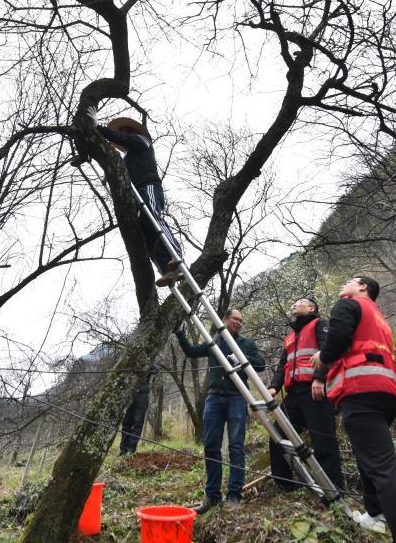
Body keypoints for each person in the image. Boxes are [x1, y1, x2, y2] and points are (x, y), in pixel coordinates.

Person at [311, 276, 396, 543]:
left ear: (363, 287)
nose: (343, 285)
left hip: (361, 391)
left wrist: (321, 359)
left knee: (383, 468)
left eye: (349, 281)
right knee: (370, 461)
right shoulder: (378, 318)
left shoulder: (349, 304)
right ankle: (375, 514)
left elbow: (336, 340)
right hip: (384, 392)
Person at [176, 308, 265, 513]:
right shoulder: (213, 342)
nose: (238, 322)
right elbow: (191, 351)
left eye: (241, 320)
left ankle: (234, 495)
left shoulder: (246, 344)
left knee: (236, 447)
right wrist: (180, 334)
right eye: (235, 318)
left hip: (236, 397)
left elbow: (260, 364)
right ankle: (212, 497)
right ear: (224, 319)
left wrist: (242, 360)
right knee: (211, 446)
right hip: (214, 397)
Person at [88, 108, 181, 287]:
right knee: (147, 233)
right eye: (120, 132)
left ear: (133, 133)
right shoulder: (127, 158)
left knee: (153, 217)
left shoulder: (142, 141)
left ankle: (175, 255)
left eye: (125, 132)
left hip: (149, 187)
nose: (122, 135)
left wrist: (97, 127)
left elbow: (125, 140)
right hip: (136, 196)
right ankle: (167, 270)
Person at [266, 297, 345, 495]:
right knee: (277, 437)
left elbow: (328, 350)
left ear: (312, 308)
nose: (294, 304)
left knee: (323, 442)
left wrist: (319, 378)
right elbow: (282, 366)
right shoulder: (289, 337)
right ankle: (285, 486)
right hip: (293, 395)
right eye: (293, 302)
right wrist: (274, 387)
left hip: (315, 391)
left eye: (300, 302)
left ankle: (334, 492)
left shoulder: (321, 324)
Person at [119, 366, 157, 456]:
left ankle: (131, 449)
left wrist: (149, 371)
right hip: (129, 395)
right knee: (126, 423)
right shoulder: (131, 361)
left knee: (138, 423)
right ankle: (123, 450)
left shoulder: (147, 362)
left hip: (142, 395)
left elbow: (156, 370)